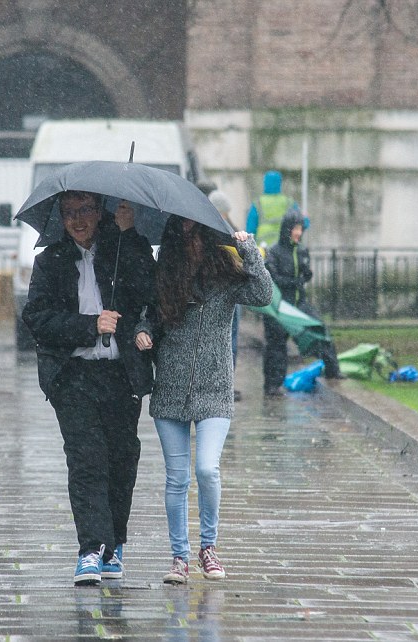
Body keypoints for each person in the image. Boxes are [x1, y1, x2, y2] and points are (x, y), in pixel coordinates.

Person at [22, 191, 155, 587]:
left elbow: (150, 292)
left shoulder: (124, 249)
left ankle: (114, 546)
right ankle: (91, 548)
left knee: (121, 459)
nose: (77, 220)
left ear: (101, 213)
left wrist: (129, 235)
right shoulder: (50, 261)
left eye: (85, 211)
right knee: (86, 460)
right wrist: (89, 324)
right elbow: (38, 319)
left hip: (120, 375)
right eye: (68, 213)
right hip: (73, 376)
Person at [134, 217, 272, 585]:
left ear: (209, 236)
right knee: (177, 478)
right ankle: (179, 557)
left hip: (215, 389)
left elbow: (263, 295)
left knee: (207, 469)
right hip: (171, 391)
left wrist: (248, 248)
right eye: (182, 236)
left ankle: (208, 546)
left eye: (196, 233)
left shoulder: (225, 277)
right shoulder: (166, 278)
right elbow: (146, 316)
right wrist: (143, 331)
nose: (190, 242)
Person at [262, 207, 343, 394]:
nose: (298, 233)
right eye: (295, 229)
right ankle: (272, 385)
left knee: (320, 330)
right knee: (276, 346)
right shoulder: (274, 252)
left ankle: (333, 370)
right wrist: (295, 281)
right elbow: (274, 278)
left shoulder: (302, 251)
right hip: (280, 307)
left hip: (300, 304)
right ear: (287, 229)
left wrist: (306, 274)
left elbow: (305, 275)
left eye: (300, 229)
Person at [208, 189, 243, 401]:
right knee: (227, 340)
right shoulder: (219, 230)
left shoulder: (227, 229)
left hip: (229, 290)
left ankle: (226, 383)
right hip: (227, 290)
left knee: (229, 339)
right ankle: (224, 383)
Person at [246, 170, 296, 248]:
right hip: (284, 245)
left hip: (263, 245)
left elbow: (251, 228)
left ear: (265, 183)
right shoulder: (288, 202)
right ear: (280, 183)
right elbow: (301, 222)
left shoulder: (258, 203)